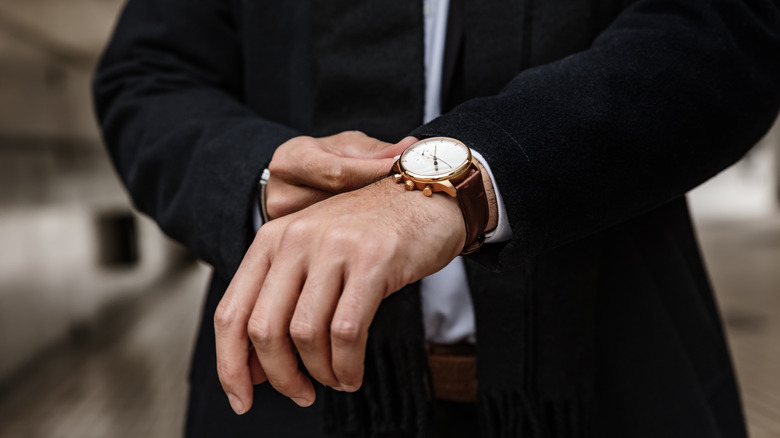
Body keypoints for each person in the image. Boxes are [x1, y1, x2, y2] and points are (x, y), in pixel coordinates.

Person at [93, 0, 780, 436]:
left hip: (613, 378)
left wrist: (469, 176)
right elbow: (150, 72)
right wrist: (256, 171)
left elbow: (724, 25)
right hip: (290, 396)